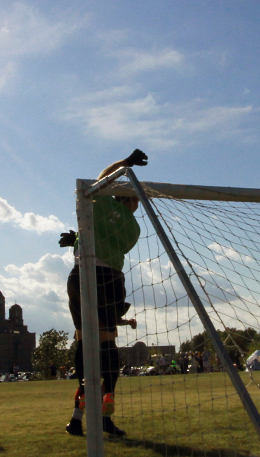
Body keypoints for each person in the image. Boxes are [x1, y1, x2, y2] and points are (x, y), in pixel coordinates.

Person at [63, 150, 148, 437]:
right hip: (108, 277)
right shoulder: (134, 228)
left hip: (78, 275)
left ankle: (80, 413)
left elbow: (101, 177)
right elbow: (112, 244)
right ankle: (107, 398)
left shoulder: (96, 202)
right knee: (107, 343)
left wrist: (125, 162)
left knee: (84, 343)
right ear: (133, 201)